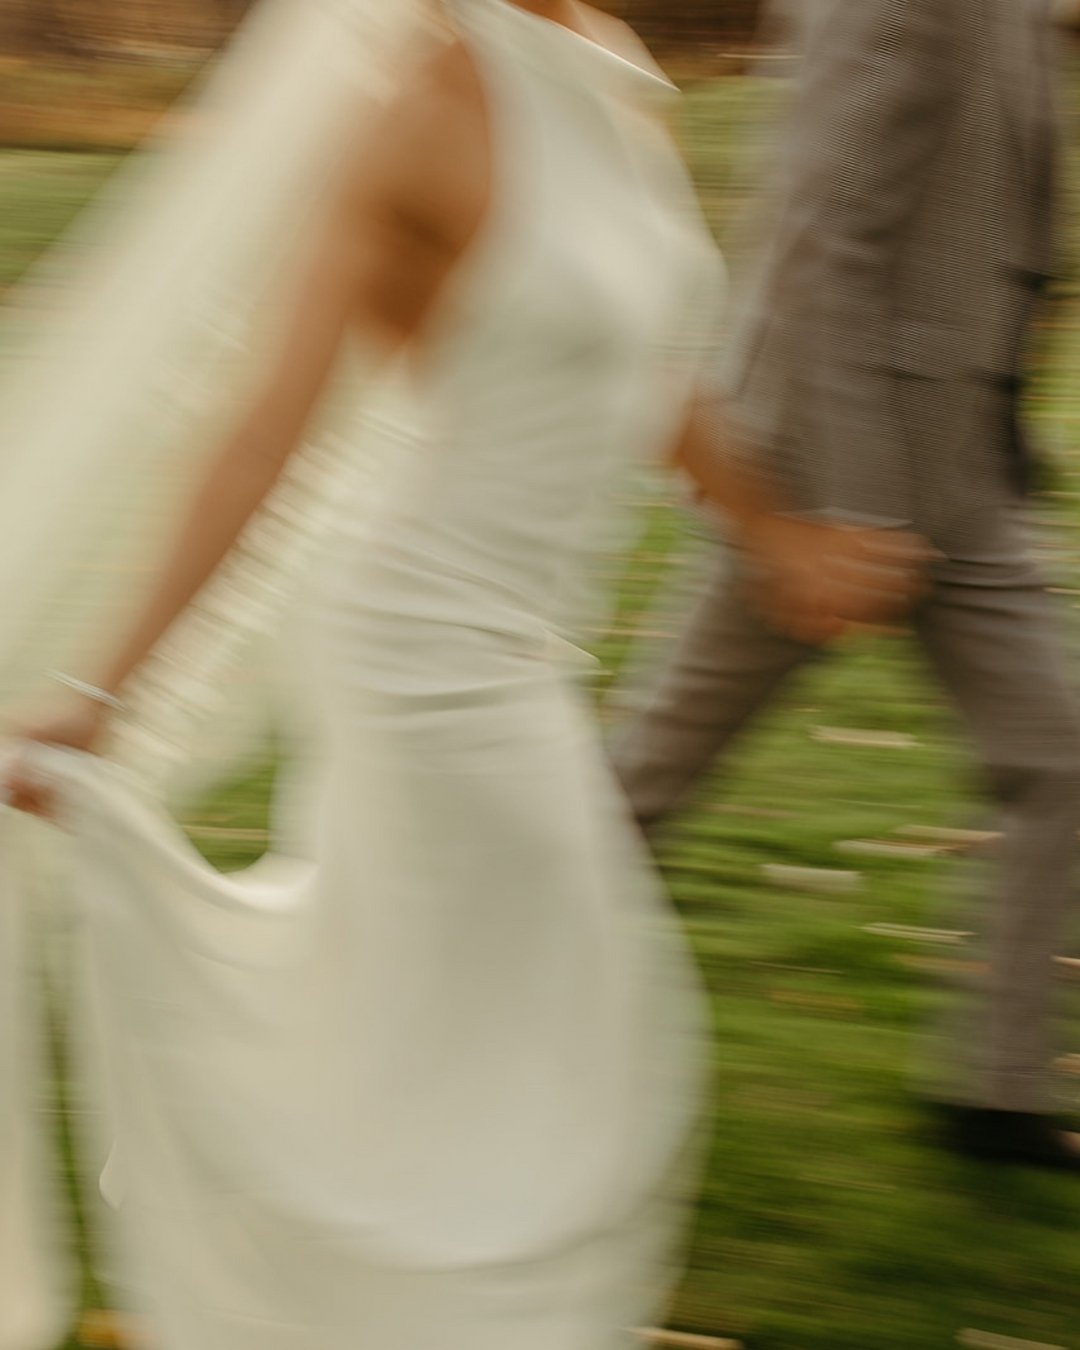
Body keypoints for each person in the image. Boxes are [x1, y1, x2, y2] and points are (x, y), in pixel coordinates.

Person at [0, 2, 920, 1347]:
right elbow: (261, 430)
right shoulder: (415, 99)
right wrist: (105, 687)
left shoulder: (603, 68)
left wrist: (780, 534)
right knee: (578, 1011)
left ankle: (389, 1303)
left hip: (523, 652)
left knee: (475, 1029)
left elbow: (644, 368)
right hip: (415, 651)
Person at [611, 0, 1080, 1173]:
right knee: (643, 790)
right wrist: (849, 512)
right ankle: (472, 1005)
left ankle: (995, 1093)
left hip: (962, 472)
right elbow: (822, 234)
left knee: (1062, 762)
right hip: (825, 473)